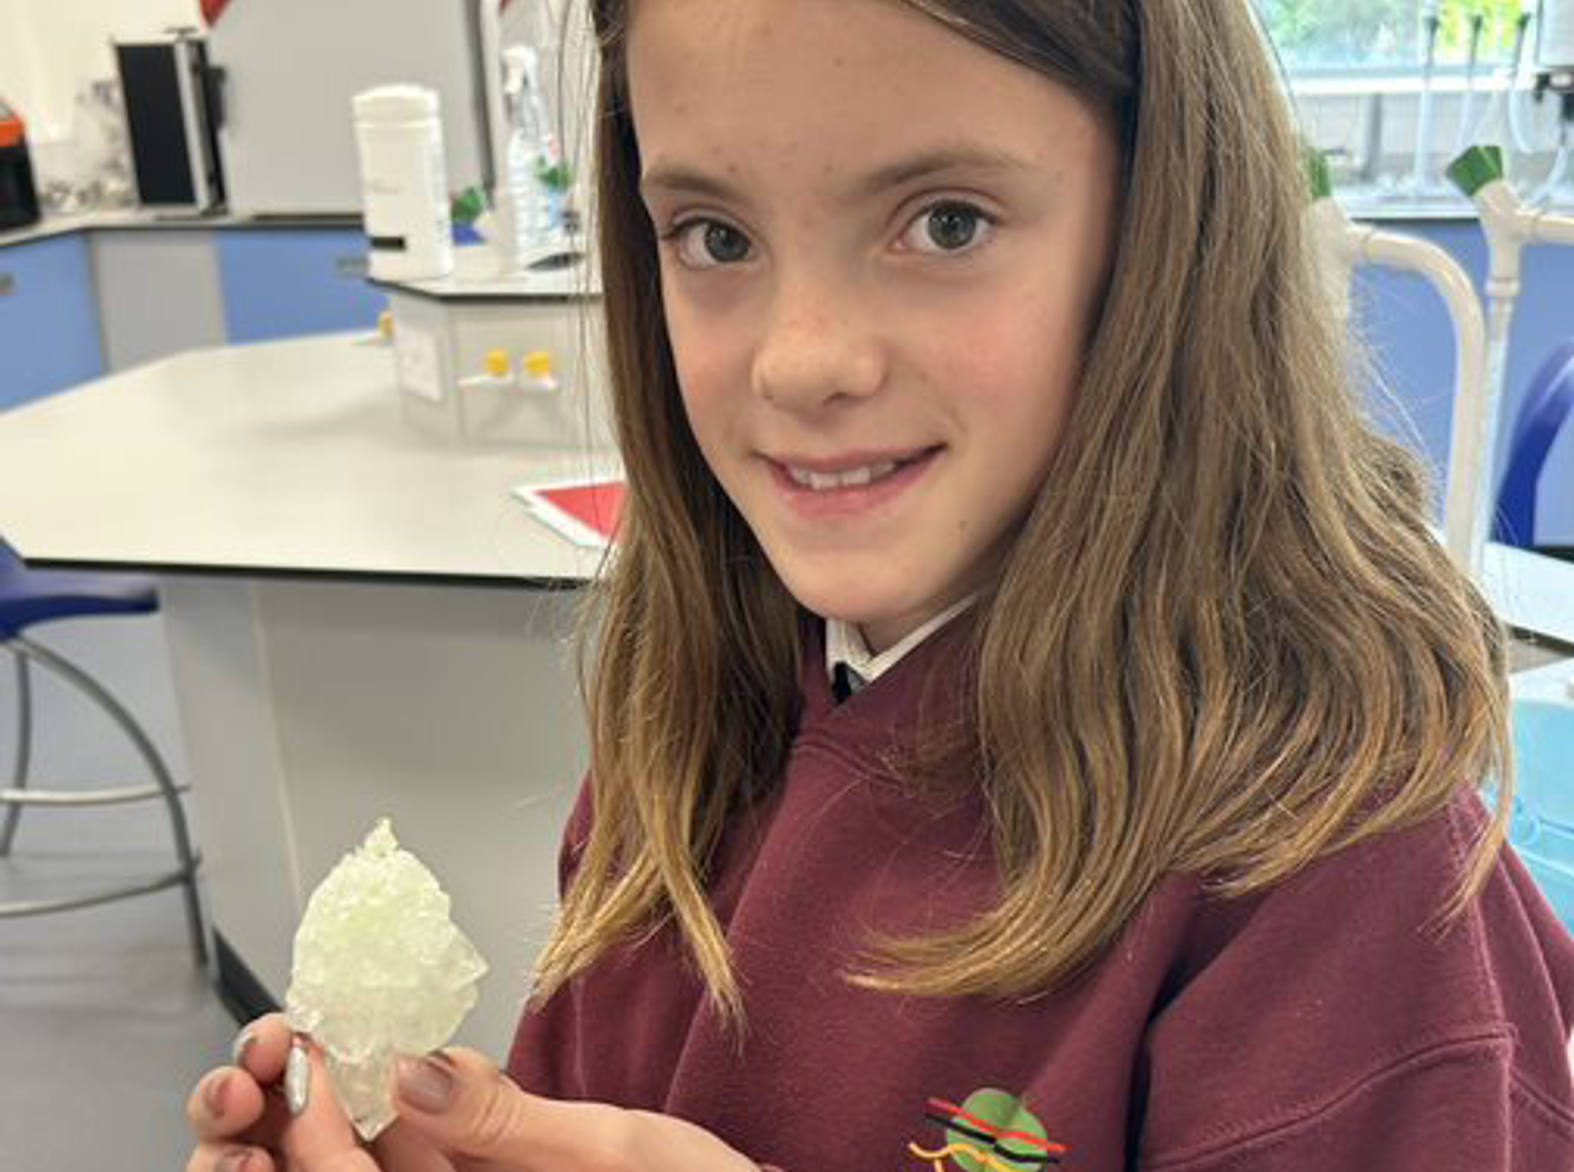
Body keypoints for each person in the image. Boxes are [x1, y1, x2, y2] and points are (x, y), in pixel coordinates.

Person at [185, 1, 1574, 1169]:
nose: (802, 359)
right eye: (715, 238)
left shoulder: (1343, 888)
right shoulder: (690, 740)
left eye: (947, 221)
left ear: (1160, 231)